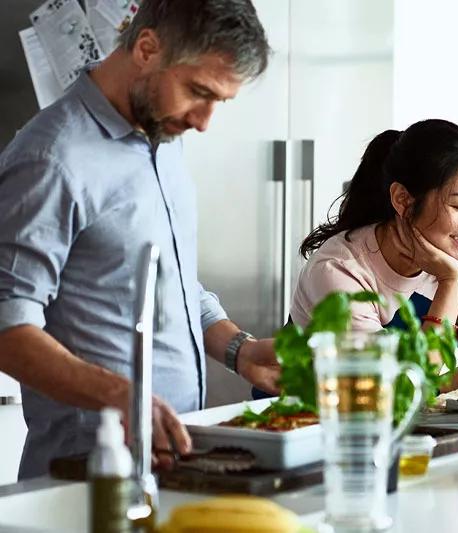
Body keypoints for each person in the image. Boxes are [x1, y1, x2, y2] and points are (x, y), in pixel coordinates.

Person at [0, 0, 281, 479]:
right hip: (85, 475)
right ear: (147, 48)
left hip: (170, 461)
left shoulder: (161, 136)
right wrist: (119, 394)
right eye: (198, 92)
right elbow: (8, 327)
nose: (204, 121)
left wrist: (240, 350)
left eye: (220, 102)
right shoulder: (52, 158)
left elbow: (166, 279)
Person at [291, 119, 458, 389]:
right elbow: (393, 390)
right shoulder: (339, 270)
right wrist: (451, 282)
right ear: (403, 199)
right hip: (301, 423)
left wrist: (432, 384)